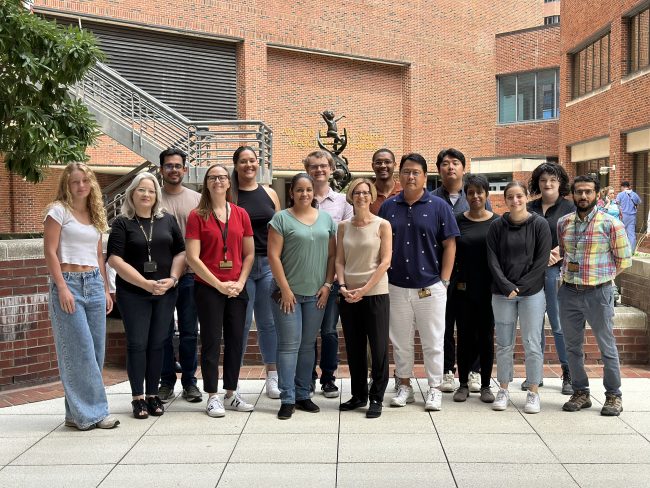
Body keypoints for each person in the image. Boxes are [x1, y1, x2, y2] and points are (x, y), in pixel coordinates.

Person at [378, 153, 459, 411]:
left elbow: (450, 244)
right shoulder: (388, 207)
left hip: (431, 286)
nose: (410, 177)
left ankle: (434, 388)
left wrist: (444, 281)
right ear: (399, 175)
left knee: (433, 341)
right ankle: (404, 385)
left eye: (415, 172)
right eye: (406, 172)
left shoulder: (439, 206)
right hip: (396, 285)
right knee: (400, 341)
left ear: (425, 176)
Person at [44, 163, 119, 431]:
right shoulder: (58, 211)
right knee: (79, 351)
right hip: (69, 285)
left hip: (94, 284)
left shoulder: (95, 212)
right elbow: (50, 252)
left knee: (95, 352)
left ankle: (75, 414)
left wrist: (105, 289)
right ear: (67, 184)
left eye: (85, 181)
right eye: (75, 182)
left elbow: (98, 254)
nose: (81, 186)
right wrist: (62, 287)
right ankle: (95, 414)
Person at [107, 173, 186, 419]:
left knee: (158, 343)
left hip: (164, 292)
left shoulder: (167, 220)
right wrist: (144, 284)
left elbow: (181, 252)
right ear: (132, 193)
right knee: (137, 344)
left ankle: (152, 395)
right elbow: (114, 259)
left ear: (157, 195)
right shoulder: (122, 223)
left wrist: (173, 279)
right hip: (133, 293)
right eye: (141, 190)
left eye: (151, 191)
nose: (146, 194)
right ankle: (138, 398)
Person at [558, 175, 632, 416]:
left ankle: (613, 395)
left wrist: (603, 279)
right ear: (572, 194)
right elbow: (565, 254)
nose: (583, 196)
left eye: (588, 191)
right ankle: (581, 392)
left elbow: (624, 260)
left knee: (606, 346)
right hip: (569, 292)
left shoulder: (611, 224)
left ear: (597, 194)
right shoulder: (563, 223)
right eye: (579, 191)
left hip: (598, 292)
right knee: (572, 347)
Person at [185, 164, 255, 417]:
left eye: (223, 177)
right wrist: (218, 284)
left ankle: (231, 393)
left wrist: (241, 282)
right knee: (212, 341)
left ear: (229, 182)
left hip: (236, 288)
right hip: (209, 288)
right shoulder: (197, 216)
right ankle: (213, 395)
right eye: (213, 177)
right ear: (206, 183)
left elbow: (249, 254)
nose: (218, 181)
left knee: (236, 340)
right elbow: (193, 258)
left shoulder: (241, 214)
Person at [268, 173, 336, 420]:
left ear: (313, 192)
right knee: (289, 346)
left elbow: (332, 256)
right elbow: (273, 256)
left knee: (307, 346)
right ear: (292, 193)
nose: (304, 194)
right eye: (299, 190)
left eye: (308, 190)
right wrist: (285, 289)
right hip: (288, 295)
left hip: (317, 294)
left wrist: (327, 284)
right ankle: (287, 398)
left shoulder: (326, 219)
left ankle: (302, 394)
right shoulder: (281, 219)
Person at [487, 181, 551, 414]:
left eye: (519, 196)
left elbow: (541, 261)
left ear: (526, 197)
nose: (515, 201)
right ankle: (503, 389)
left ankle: (533, 391)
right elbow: (492, 259)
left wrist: (521, 287)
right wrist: (506, 286)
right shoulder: (497, 226)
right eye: (510, 197)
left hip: (531, 294)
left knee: (532, 344)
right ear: (505, 200)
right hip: (502, 293)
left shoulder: (540, 225)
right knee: (504, 344)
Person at [432, 148, 491, 394]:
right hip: (441, 274)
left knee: (474, 327)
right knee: (444, 324)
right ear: (439, 170)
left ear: (463, 168)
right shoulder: (432, 198)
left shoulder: (475, 196)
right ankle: (447, 370)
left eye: (455, 162)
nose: (450, 167)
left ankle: (474, 371)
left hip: (473, 275)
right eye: (445, 163)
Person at [336, 178, 392, 418]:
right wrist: (342, 286)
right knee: (354, 347)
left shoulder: (382, 225)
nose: (361, 196)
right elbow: (339, 260)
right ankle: (359, 395)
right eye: (357, 192)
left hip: (375, 293)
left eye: (365, 192)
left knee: (378, 348)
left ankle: (376, 397)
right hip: (349, 295)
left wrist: (365, 288)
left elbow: (385, 262)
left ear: (372, 196)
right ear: (351, 196)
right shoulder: (343, 226)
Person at [231, 146, 282, 399]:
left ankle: (272, 376)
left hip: (269, 265)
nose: (249, 165)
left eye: (252, 160)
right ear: (236, 165)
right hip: (241, 267)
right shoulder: (230, 194)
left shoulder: (270, 193)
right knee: (240, 324)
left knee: (268, 323)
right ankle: (234, 379)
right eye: (243, 161)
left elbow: (280, 229)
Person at [304, 150, 352, 398]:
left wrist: (335, 276)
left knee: (329, 330)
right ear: (307, 170)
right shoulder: (302, 198)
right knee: (308, 332)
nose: (319, 170)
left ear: (332, 169)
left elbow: (347, 241)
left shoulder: (344, 202)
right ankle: (308, 377)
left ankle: (329, 378)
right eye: (313, 166)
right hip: (305, 277)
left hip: (332, 277)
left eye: (323, 165)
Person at [157, 148, 202, 404]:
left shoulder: (197, 199)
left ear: (185, 169)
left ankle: (189, 382)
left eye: (177, 166)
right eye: (169, 166)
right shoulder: (153, 198)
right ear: (161, 169)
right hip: (161, 278)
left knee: (189, 332)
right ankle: (166, 382)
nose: (173, 170)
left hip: (190, 276)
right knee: (163, 332)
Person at [525, 162, 575, 395]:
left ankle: (568, 373)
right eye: (543, 180)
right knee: (533, 325)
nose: (548, 184)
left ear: (560, 182)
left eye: (553, 180)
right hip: (532, 272)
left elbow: (575, 237)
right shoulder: (529, 207)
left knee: (558, 324)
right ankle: (535, 375)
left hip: (557, 271)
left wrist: (558, 253)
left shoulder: (569, 208)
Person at [449, 174, 498, 403]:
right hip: (462, 288)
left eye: (479, 192)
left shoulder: (497, 222)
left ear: (486, 194)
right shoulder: (457, 220)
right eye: (470, 192)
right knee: (464, 337)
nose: (475, 196)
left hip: (489, 289)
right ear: (465, 195)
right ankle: (462, 384)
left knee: (486, 337)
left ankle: (486, 384)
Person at [369, 148, 401, 215]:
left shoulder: (404, 192)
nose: (383, 166)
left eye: (387, 162)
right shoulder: (367, 194)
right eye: (378, 162)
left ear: (394, 165)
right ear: (372, 166)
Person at [616, 181, 642, 251]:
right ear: (628, 186)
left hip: (623, 216)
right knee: (631, 234)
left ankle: (622, 250)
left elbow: (617, 204)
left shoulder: (620, 194)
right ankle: (632, 251)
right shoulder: (635, 194)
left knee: (621, 233)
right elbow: (639, 203)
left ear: (622, 187)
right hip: (632, 216)